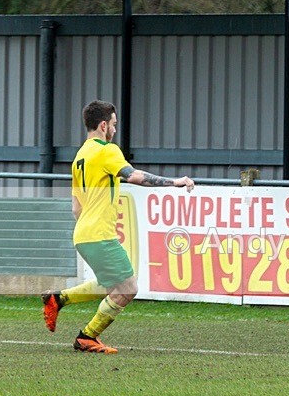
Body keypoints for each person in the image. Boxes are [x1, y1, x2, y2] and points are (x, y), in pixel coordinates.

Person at [41, 100, 195, 353]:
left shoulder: (80, 157)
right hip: (99, 234)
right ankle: (87, 336)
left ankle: (58, 299)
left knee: (112, 285)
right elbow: (134, 176)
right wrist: (174, 182)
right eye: (113, 124)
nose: (114, 129)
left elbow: (76, 208)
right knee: (128, 288)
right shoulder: (107, 150)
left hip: (84, 234)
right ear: (103, 126)